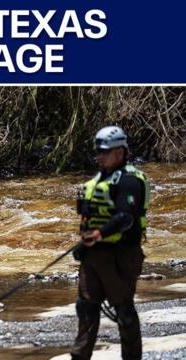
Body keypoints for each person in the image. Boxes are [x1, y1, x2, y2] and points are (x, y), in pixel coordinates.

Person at [71, 126, 150, 360]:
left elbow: (126, 217)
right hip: (93, 256)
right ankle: (79, 356)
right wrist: (85, 244)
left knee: (124, 312)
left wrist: (97, 234)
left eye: (106, 152)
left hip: (121, 255)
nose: (101, 156)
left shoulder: (129, 181)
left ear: (121, 152)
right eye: (99, 152)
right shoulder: (97, 181)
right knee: (85, 308)